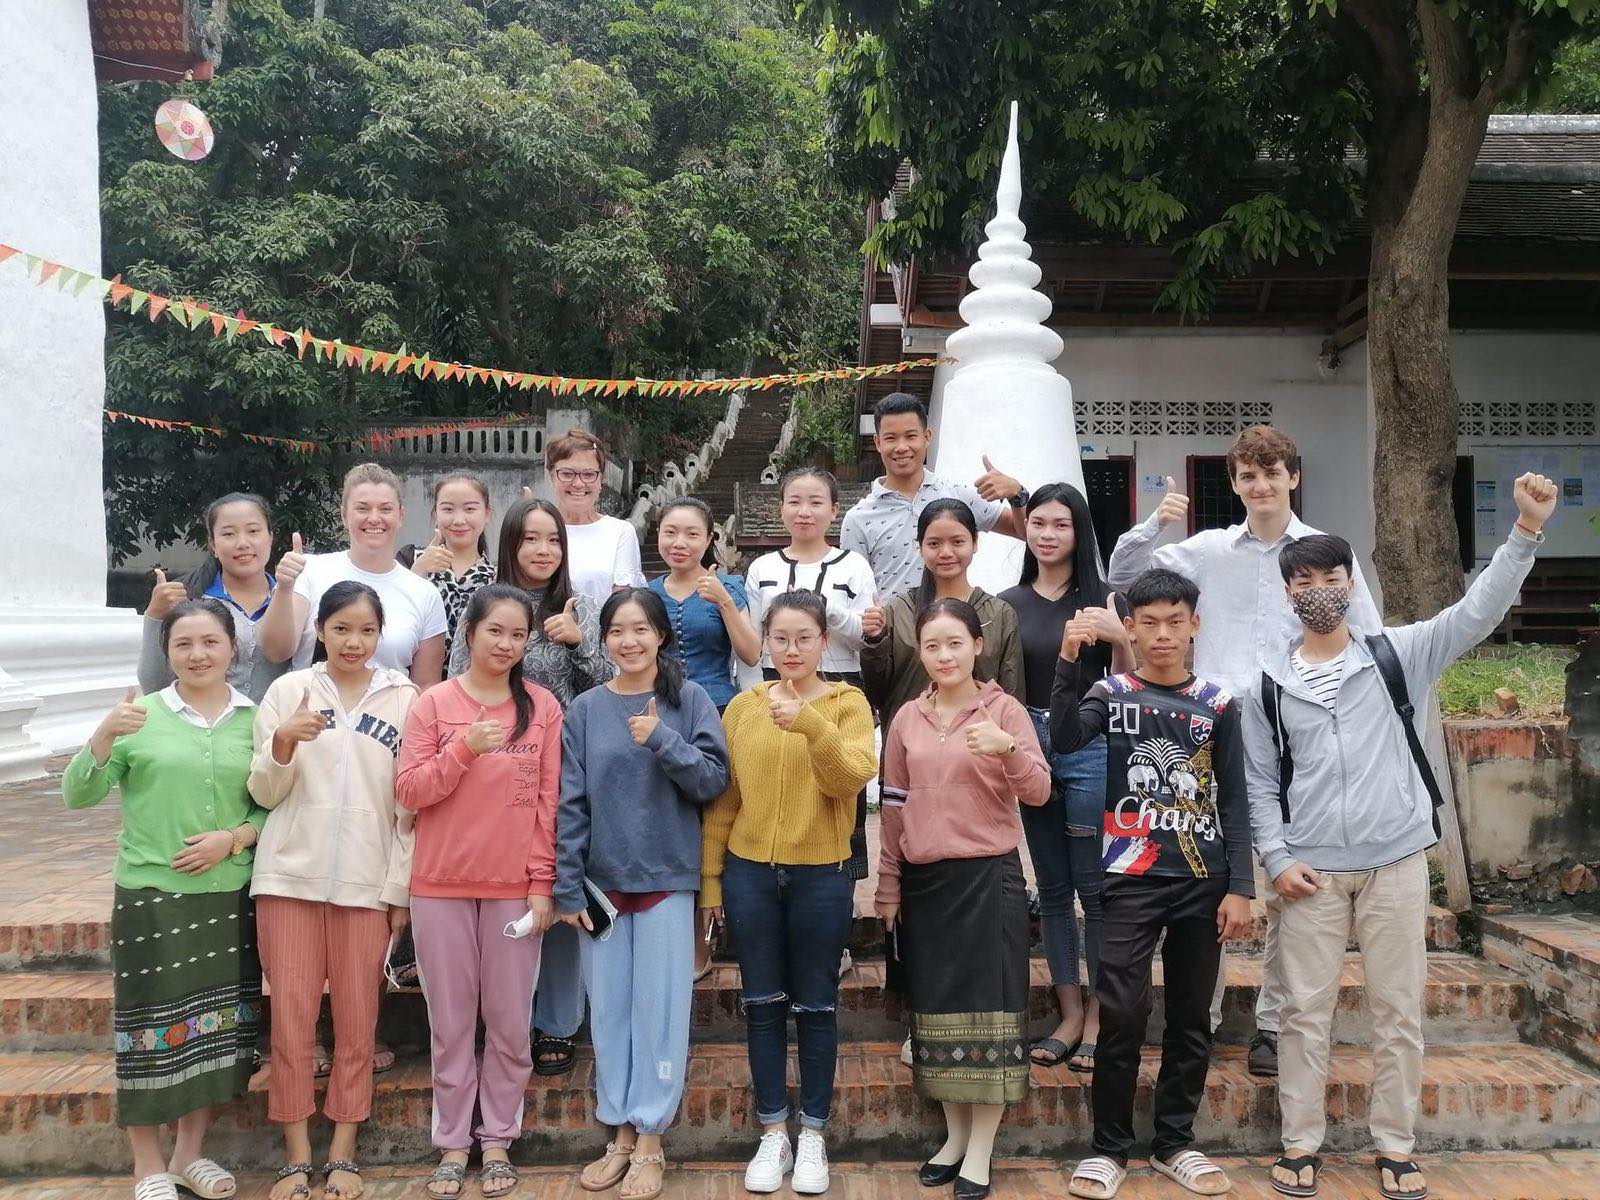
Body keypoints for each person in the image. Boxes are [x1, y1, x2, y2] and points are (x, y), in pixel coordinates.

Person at [1243, 473, 1557, 1200]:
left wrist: (1524, 534)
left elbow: (1476, 613)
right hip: (1309, 876)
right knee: (1302, 1017)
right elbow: (1260, 785)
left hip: (1394, 864)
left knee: (1396, 1012)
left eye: (1330, 575)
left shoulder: (1399, 653)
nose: (1317, 587)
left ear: (1352, 583)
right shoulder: (1265, 686)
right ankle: (1300, 1146)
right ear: (1287, 593)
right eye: (1303, 579)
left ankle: (1395, 1144)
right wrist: (1279, 859)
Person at [1104, 425, 1381, 1075]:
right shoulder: (1206, 551)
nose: (1261, 486)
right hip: (1213, 738)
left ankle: (1274, 1025)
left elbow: (1367, 641)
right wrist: (1152, 524)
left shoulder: (1323, 558)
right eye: (1248, 476)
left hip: (1297, 743)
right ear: (1234, 484)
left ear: (1293, 477)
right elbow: (1121, 578)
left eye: (1272, 472)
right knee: (1209, 879)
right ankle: (1195, 1020)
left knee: (1292, 888)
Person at [1054, 569, 1255, 1200]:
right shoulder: (1112, 693)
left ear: (1195, 625)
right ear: (1130, 629)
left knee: (1193, 1017)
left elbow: (1237, 798)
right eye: (1149, 624)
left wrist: (1241, 886)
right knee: (1122, 1012)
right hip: (1131, 876)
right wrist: (1067, 660)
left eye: (1175, 622)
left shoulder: (1220, 704)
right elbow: (1061, 740)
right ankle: (1108, 1147)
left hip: (1204, 878)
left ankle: (1175, 1142)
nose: (1162, 635)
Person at [63, 598, 266, 1200]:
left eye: (210, 642)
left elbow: (273, 800)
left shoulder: (254, 718)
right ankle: (146, 1165)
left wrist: (234, 838)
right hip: (152, 897)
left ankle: (188, 1157)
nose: (198, 654)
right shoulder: (140, 716)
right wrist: (102, 734)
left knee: (213, 1032)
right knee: (148, 1028)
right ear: (166, 652)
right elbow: (77, 794)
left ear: (233, 648)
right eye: (183, 644)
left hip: (228, 897)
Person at [700, 591, 878, 1195]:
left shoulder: (848, 704)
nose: (792, 649)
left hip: (822, 873)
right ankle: (773, 1129)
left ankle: (814, 1134)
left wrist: (809, 724)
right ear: (765, 644)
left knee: (818, 1005)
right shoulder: (743, 709)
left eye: (805, 638)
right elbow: (725, 801)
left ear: (824, 641)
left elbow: (850, 778)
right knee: (764, 1002)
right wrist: (710, 883)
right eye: (781, 638)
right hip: (750, 871)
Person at [555, 588, 730, 1200]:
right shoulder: (583, 709)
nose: (629, 641)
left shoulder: (690, 700)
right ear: (603, 640)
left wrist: (661, 738)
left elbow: (712, 780)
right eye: (616, 631)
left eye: (640, 629)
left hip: (665, 881)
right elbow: (570, 804)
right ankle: (620, 1134)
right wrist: (567, 883)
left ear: (661, 636)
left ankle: (652, 1138)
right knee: (609, 1013)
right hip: (601, 888)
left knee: (659, 1012)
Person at [875, 598, 1050, 1200]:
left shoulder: (1003, 709)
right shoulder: (906, 719)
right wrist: (889, 882)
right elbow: (893, 808)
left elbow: (1040, 791)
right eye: (931, 645)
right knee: (937, 1015)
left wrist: (1008, 748)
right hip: (926, 884)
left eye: (955, 643)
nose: (944, 656)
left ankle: (981, 1149)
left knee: (991, 1015)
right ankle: (952, 1137)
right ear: (919, 652)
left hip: (988, 878)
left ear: (978, 645)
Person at [248, 582, 418, 1200]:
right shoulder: (288, 691)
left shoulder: (405, 698)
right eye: (341, 628)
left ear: (380, 635)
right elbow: (264, 792)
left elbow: (409, 807)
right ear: (320, 630)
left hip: (367, 886)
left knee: (357, 1021)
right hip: (287, 879)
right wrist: (284, 742)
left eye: (367, 630)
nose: (354, 641)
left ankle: (343, 1150)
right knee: (290, 1022)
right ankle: (296, 1155)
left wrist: (399, 889)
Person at [396, 585, 565, 1200]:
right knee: (450, 1023)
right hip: (439, 887)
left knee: (510, 1022)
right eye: (495, 630)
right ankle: (452, 1144)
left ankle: (497, 1139)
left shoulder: (542, 708)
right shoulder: (433, 705)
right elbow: (410, 791)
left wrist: (543, 886)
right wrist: (463, 750)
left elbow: (550, 806)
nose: (506, 644)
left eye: (518, 634)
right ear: (469, 632)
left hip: (514, 891)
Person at [447, 496, 612, 1078]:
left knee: (559, 883)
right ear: (510, 544)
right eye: (530, 539)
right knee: (499, 892)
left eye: (553, 540)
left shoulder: (582, 607)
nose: (543, 551)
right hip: (490, 771)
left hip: (565, 769)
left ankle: (557, 1020)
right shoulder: (482, 604)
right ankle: (501, 1017)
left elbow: (614, 686)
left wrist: (579, 642)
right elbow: (454, 682)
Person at [998, 483, 1132, 1074]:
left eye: (1061, 524)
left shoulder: (1104, 599)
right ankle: (1069, 1013)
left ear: (1080, 532)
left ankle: (1102, 1018)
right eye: (1039, 524)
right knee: (1051, 889)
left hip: (1092, 743)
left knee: (1094, 889)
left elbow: (1129, 682)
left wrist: (1120, 638)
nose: (1047, 534)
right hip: (1030, 744)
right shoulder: (1007, 603)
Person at [742, 467, 877, 883]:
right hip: (774, 683)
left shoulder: (853, 565)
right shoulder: (761, 567)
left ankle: (843, 891)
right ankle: (775, 873)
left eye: (816, 502)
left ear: (835, 510)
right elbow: (753, 641)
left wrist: (824, 609)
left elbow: (862, 638)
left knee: (839, 785)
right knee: (778, 784)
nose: (805, 512)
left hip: (839, 687)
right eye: (795, 502)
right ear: (780, 508)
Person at [259, 463, 449, 689]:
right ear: (344, 515)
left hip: (388, 719)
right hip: (311, 717)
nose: (374, 518)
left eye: (385, 509)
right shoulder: (309, 570)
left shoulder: (424, 593)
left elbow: (425, 686)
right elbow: (276, 651)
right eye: (363, 508)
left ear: (401, 516)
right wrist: (284, 588)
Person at [839, 392, 1027, 600]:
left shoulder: (957, 494)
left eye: (911, 436)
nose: (902, 447)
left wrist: (1017, 494)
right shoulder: (858, 518)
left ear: (927, 437)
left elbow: (1025, 532)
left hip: (955, 627)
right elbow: (853, 592)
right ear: (877, 442)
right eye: (891, 438)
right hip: (894, 630)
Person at [861, 498, 1023, 739]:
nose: (946, 553)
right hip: (910, 750)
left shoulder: (998, 613)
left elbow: (1013, 695)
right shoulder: (899, 611)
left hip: (980, 754)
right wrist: (875, 641)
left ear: (975, 542)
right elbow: (876, 694)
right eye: (934, 543)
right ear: (919, 546)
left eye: (957, 542)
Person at [137, 491, 289, 702]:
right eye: (228, 534)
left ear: (270, 537)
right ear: (213, 545)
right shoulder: (193, 602)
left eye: (253, 531)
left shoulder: (292, 601)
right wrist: (155, 615)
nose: (242, 543)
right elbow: (155, 686)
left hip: (277, 731)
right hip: (206, 729)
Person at [649, 497, 760, 711]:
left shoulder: (728, 587)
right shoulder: (647, 593)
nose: (679, 543)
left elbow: (752, 655)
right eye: (670, 532)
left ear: (708, 539)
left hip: (716, 707)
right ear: (658, 534)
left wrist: (723, 601)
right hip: (660, 707)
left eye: (692, 534)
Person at [546, 429, 645, 604]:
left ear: (601, 480)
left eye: (589, 474)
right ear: (551, 476)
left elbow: (622, 605)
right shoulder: (535, 530)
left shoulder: (620, 533)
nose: (578, 483)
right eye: (567, 473)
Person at [398, 472, 496, 644]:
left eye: (470, 509)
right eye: (448, 509)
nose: (458, 520)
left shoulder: (498, 576)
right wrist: (417, 572)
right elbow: (389, 618)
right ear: (436, 513)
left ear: (487, 514)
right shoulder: (409, 559)